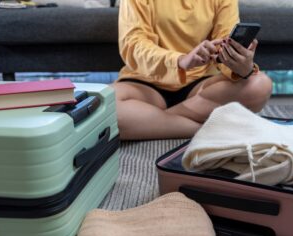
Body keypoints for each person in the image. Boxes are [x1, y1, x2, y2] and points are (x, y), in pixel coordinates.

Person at [112, 0, 273, 140]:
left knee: (260, 84)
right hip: (145, 82)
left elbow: (225, 41)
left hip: (200, 86)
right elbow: (133, 45)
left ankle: (149, 122)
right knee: (102, 109)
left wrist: (242, 67)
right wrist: (179, 60)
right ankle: (203, 128)